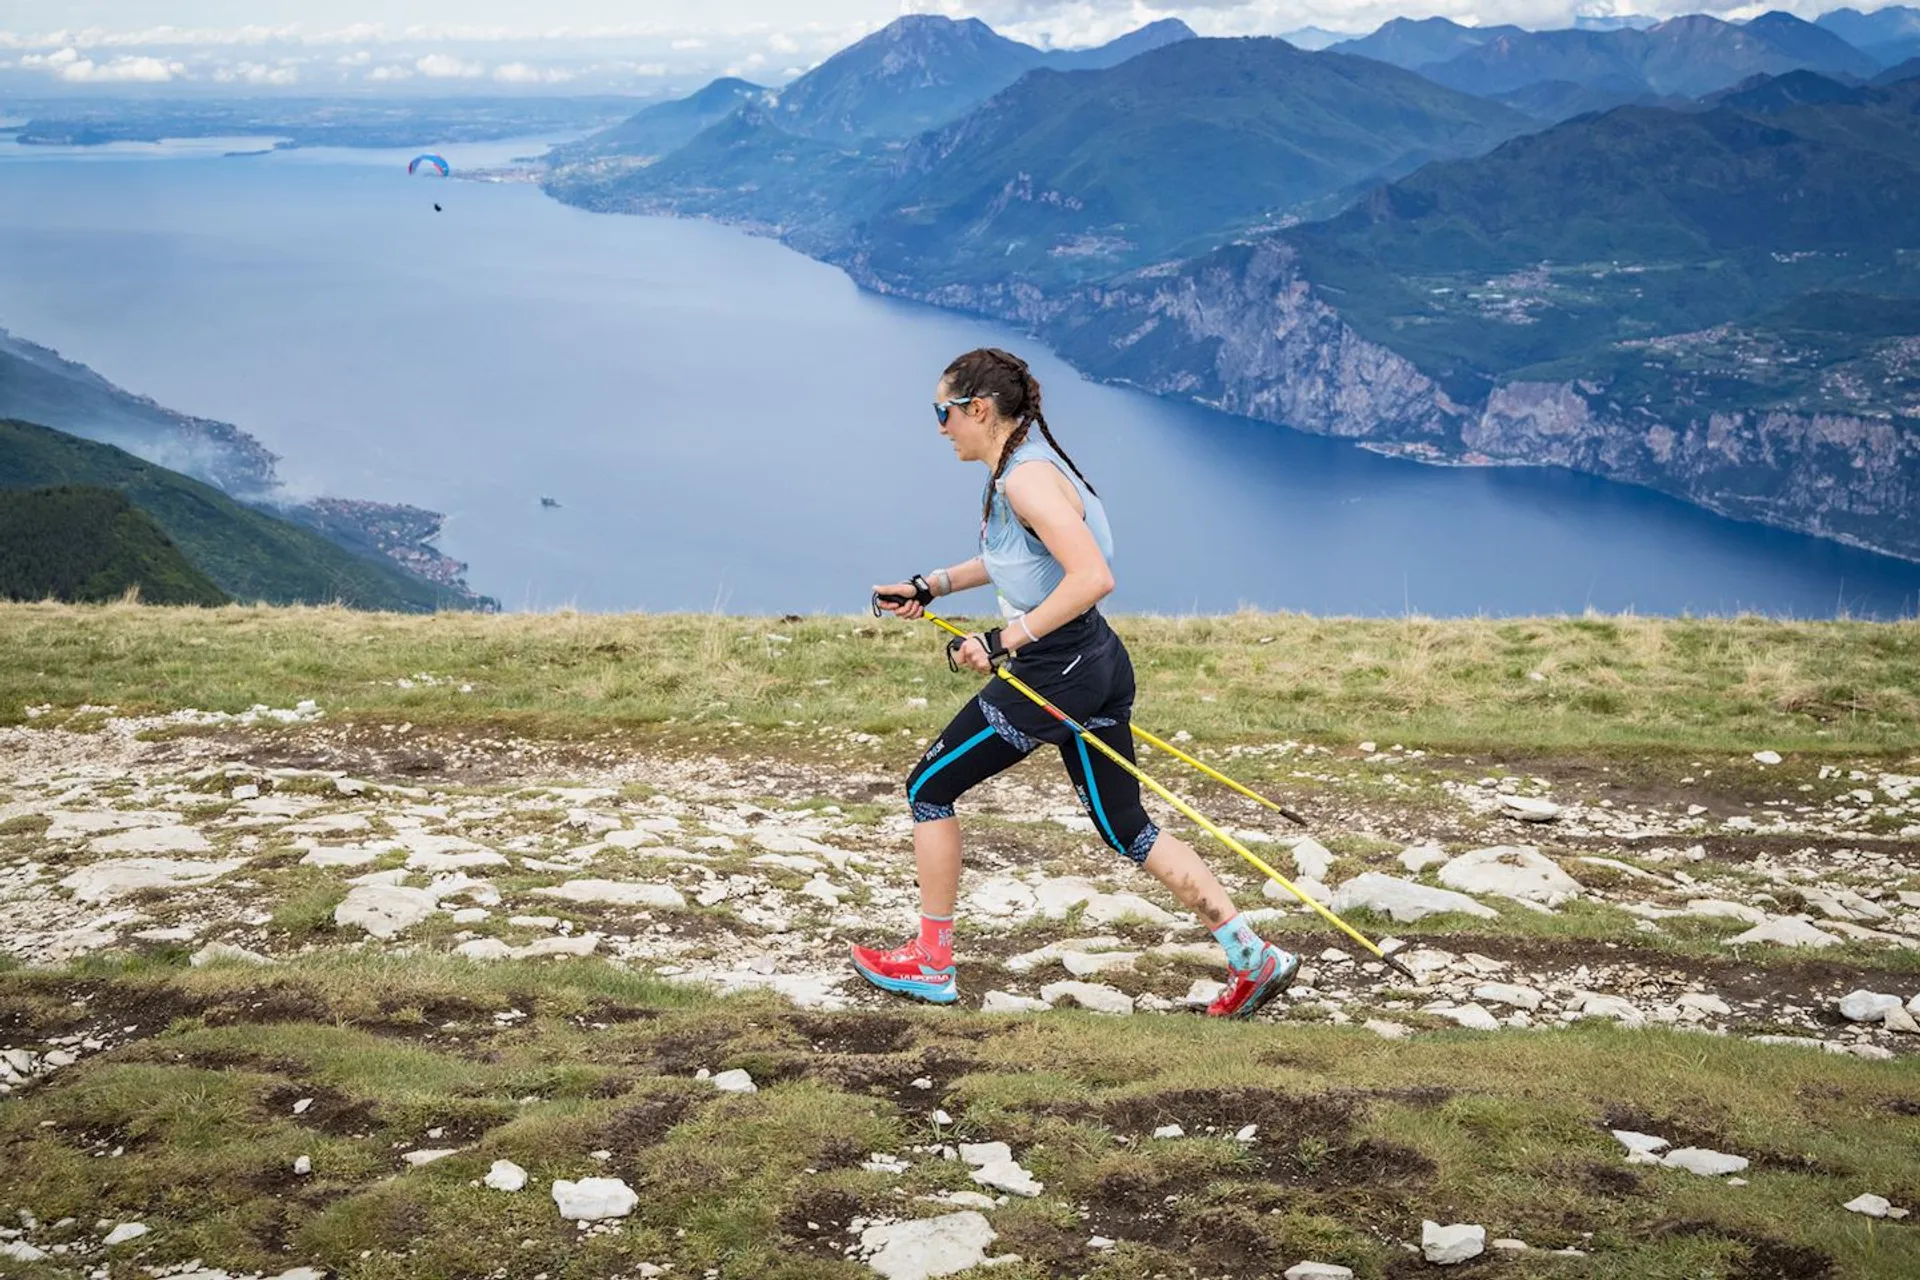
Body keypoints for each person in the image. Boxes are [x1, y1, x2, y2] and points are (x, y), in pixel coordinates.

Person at [859, 347, 1299, 1019]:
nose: (940, 427)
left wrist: (1003, 641)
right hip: (1094, 660)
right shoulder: (1025, 466)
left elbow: (1093, 577)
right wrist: (931, 585)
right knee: (1127, 828)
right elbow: (1015, 556)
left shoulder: (1025, 480)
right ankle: (1252, 956)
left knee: (928, 786)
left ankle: (931, 962)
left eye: (942, 412)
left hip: (1056, 670)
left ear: (978, 409)